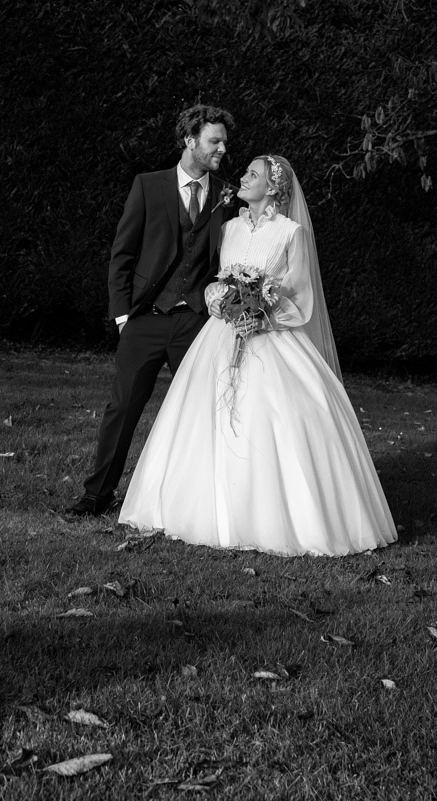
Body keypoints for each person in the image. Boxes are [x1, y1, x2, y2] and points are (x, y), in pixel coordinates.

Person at [117, 154, 397, 555]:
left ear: (273, 188)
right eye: (246, 172)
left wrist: (263, 318)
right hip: (220, 337)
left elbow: (301, 297)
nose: (243, 178)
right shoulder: (228, 228)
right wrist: (216, 298)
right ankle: (202, 509)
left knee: (273, 420)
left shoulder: (291, 233)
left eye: (253, 174)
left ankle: (278, 517)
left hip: (272, 341)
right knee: (205, 417)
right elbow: (213, 280)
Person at [68, 104, 240, 517]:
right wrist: (123, 317)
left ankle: (201, 502)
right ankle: (98, 494)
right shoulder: (148, 186)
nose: (222, 149)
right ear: (190, 141)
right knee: (123, 408)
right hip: (145, 318)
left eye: (224, 142)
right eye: (214, 141)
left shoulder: (227, 195)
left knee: (202, 411)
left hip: (196, 322)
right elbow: (122, 255)